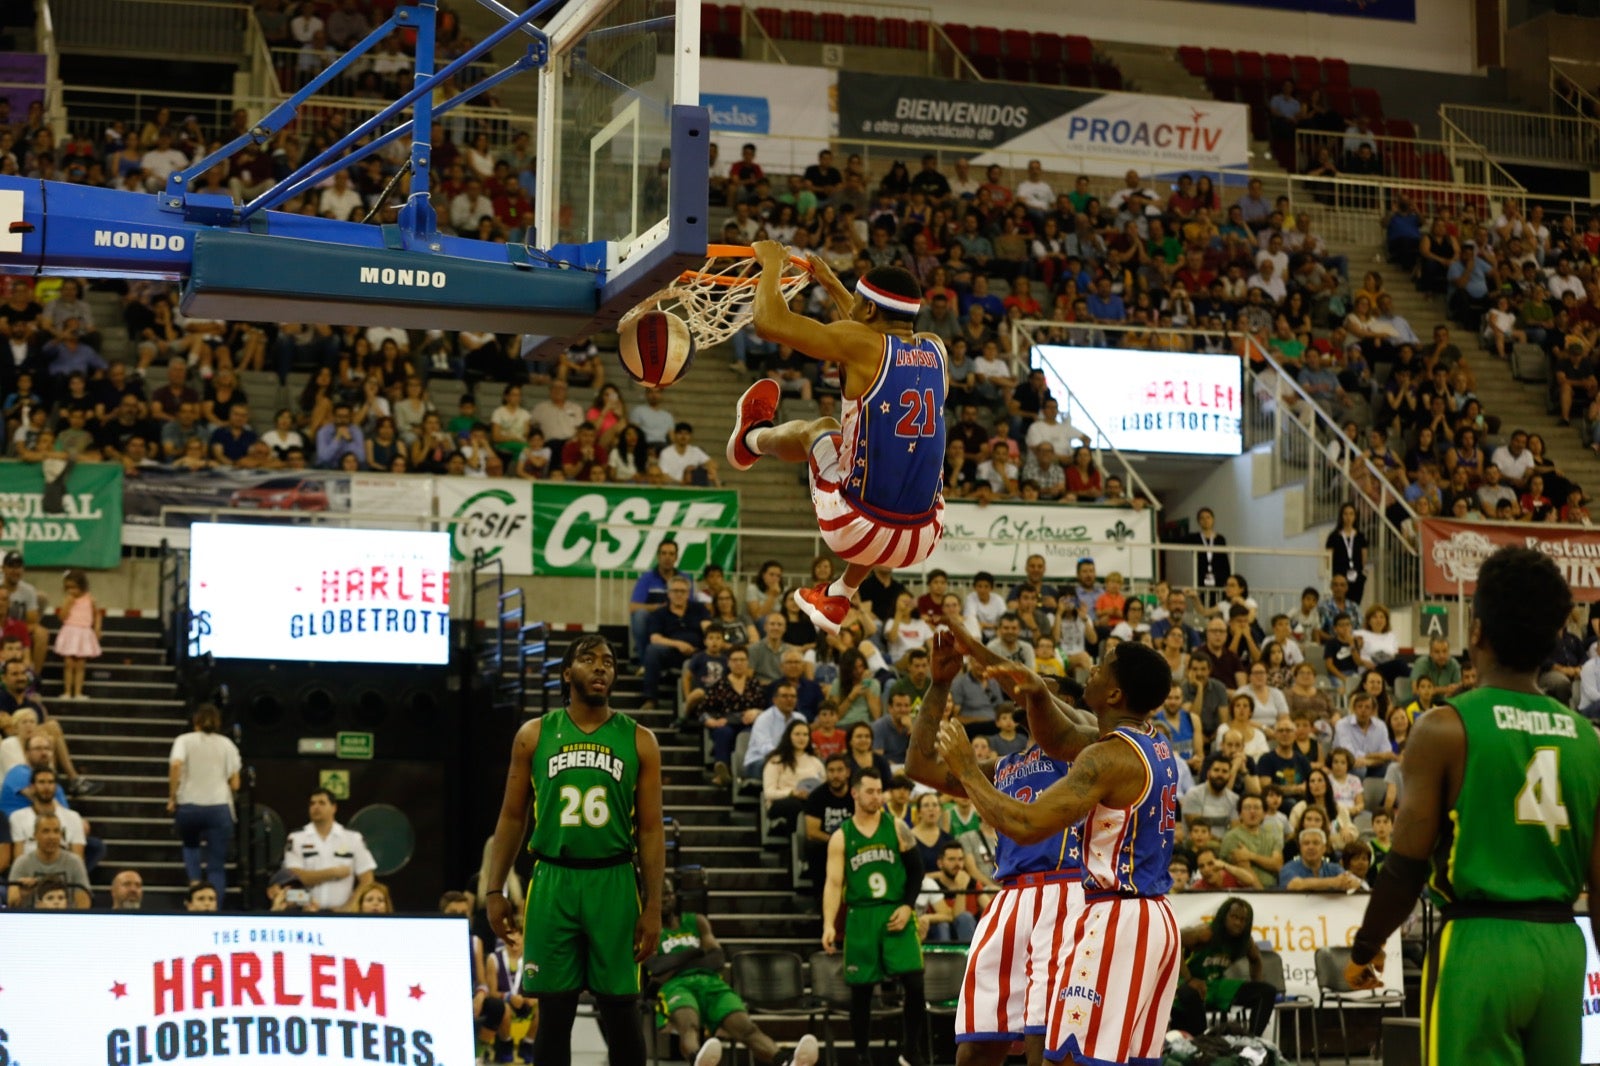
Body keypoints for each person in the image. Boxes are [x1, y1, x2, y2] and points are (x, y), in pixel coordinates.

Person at [1346, 547, 1600, 1066]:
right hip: (1562, 948)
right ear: (1554, 639)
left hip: (1480, 944)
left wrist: (1366, 948)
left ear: (1477, 631)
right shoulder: (1588, 738)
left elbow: (1406, 865)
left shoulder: (1444, 726)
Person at [935, 641, 1180, 1066]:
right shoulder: (1150, 742)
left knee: (1062, 1061)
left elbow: (1025, 825)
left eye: (1101, 667)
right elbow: (1060, 737)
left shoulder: (1108, 757)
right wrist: (1034, 691)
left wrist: (967, 770)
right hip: (1155, 918)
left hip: (1116, 917)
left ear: (1115, 694)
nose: (1091, 668)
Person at [728, 241, 946, 636]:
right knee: (896, 472)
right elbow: (871, 329)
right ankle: (840, 594)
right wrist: (830, 283)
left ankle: (750, 440)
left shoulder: (862, 343)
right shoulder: (936, 348)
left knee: (823, 427)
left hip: (853, 526)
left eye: (860, 302)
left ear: (869, 310)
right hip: (924, 537)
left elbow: (770, 323)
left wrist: (773, 264)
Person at [906, 623, 1092, 1066]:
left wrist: (980, 650)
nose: (1028, 697)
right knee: (975, 1045)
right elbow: (918, 765)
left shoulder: (1088, 749)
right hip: (1008, 898)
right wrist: (939, 684)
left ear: (1070, 708)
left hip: (1065, 891)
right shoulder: (1004, 766)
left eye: (1043, 693)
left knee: (1040, 1038)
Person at [484, 634, 665, 1066]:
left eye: (608, 661)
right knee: (555, 1009)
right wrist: (494, 889)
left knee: (621, 1009)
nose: (601, 667)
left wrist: (654, 904)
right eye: (588, 659)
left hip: (615, 879)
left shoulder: (640, 740)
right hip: (553, 878)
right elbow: (512, 817)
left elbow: (652, 830)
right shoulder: (534, 735)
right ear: (568, 674)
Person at [648, 876, 820, 1066]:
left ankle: (786, 1061)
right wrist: (695, 953)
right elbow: (656, 967)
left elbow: (717, 959)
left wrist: (676, 962)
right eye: (658, 894)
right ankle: (698, 1060)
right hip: (676, 986)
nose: (664, 899)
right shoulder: (649, 930)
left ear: (675, 896)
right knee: (689, 1027)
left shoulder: (696, 921)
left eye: (668, 893)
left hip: (712, 983)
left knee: (747, 1029)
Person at [821, 767, 928, 1066]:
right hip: (861, 915)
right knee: (862, 992)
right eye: (870, 791)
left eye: (879, 790)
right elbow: (833, 884)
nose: (877, 796)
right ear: (854, 793)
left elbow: (917, 871)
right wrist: (829, 924)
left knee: (915, 984)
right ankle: (861, 1056)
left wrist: (908, 906)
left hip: (895, 911)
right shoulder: (842, 837)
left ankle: (911, 1051)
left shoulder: (896, 827)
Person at [1170, 897, 1278, 1038]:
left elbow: (1256, 960)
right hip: (1186, 983)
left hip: (1216, 985)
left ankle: (1252, 1040)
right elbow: (1173, 941)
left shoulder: (1245, 941)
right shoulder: (1206, 933)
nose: (1238, 923)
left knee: (1266, 991)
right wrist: (1189, 979)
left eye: (1242, 919)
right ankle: (1202, 1040)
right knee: (1189, 993)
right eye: (1234, 917)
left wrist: (1256, 981)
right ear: (1224, 916)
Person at [167, 702, 241, 901]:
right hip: (219, 807)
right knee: (216, 865)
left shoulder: (184, 740)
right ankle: (213, 907)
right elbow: (235, 783)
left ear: (195, 722)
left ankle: (194, 890)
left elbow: (176, 766)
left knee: (191, 847)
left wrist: (172, 796)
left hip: (189, 806)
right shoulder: (227, 745)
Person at [280, 787, 376, 910]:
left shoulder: (352, 838)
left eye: (322, 803)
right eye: (312, 803)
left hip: (343, 914)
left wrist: (350, 906)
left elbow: (367, 879)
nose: (316, 807)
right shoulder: (296, 838)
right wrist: (334, 873)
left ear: (334, 808)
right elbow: (295, 877)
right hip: (306, 911)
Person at [51, 568, 100, 700]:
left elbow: (97, 615)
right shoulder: (68, 599)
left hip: (84, 632)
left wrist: (97, 629)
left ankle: (78, 692)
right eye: (68, 588)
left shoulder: (90, 599)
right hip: (70, 631)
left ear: (82, 586)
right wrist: (67, 604)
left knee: (80, 665)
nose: (71, 591)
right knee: (68, 664)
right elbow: (61, 617)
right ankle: (67, 691)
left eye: (74, 587)